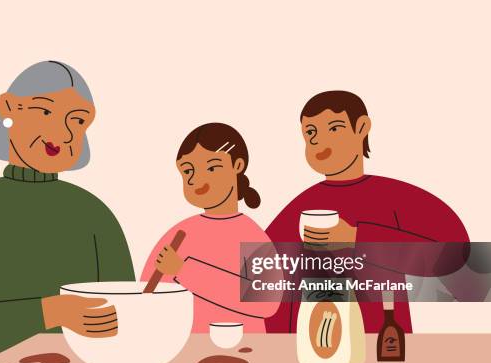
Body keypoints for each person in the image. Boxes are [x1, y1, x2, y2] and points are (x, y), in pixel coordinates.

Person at [0, 61, 134, 363]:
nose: (63, 135)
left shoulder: (97, 217)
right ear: (8, 108)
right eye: (46, 112)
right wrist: (52, 311)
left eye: (76, 121)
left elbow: (124, 319)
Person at [265, 90, 469, 333]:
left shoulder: (399, 199)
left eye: (334, 128)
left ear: (361, 127)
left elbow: (459, 261)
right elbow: (264, 280)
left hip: (383, 340)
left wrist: (356, 238)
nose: (319, 141)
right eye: (311, 133)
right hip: (315, 346)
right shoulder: (299, 208)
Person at [141, 123, 278, 332]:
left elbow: (267, 302)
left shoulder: (252, 235)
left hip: (245, 346)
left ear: (237, 165)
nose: (197, 180)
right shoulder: (178, 234)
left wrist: (183, 270)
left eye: (212, 168)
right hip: (185, 347)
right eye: (188, 171)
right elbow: (148, 297)